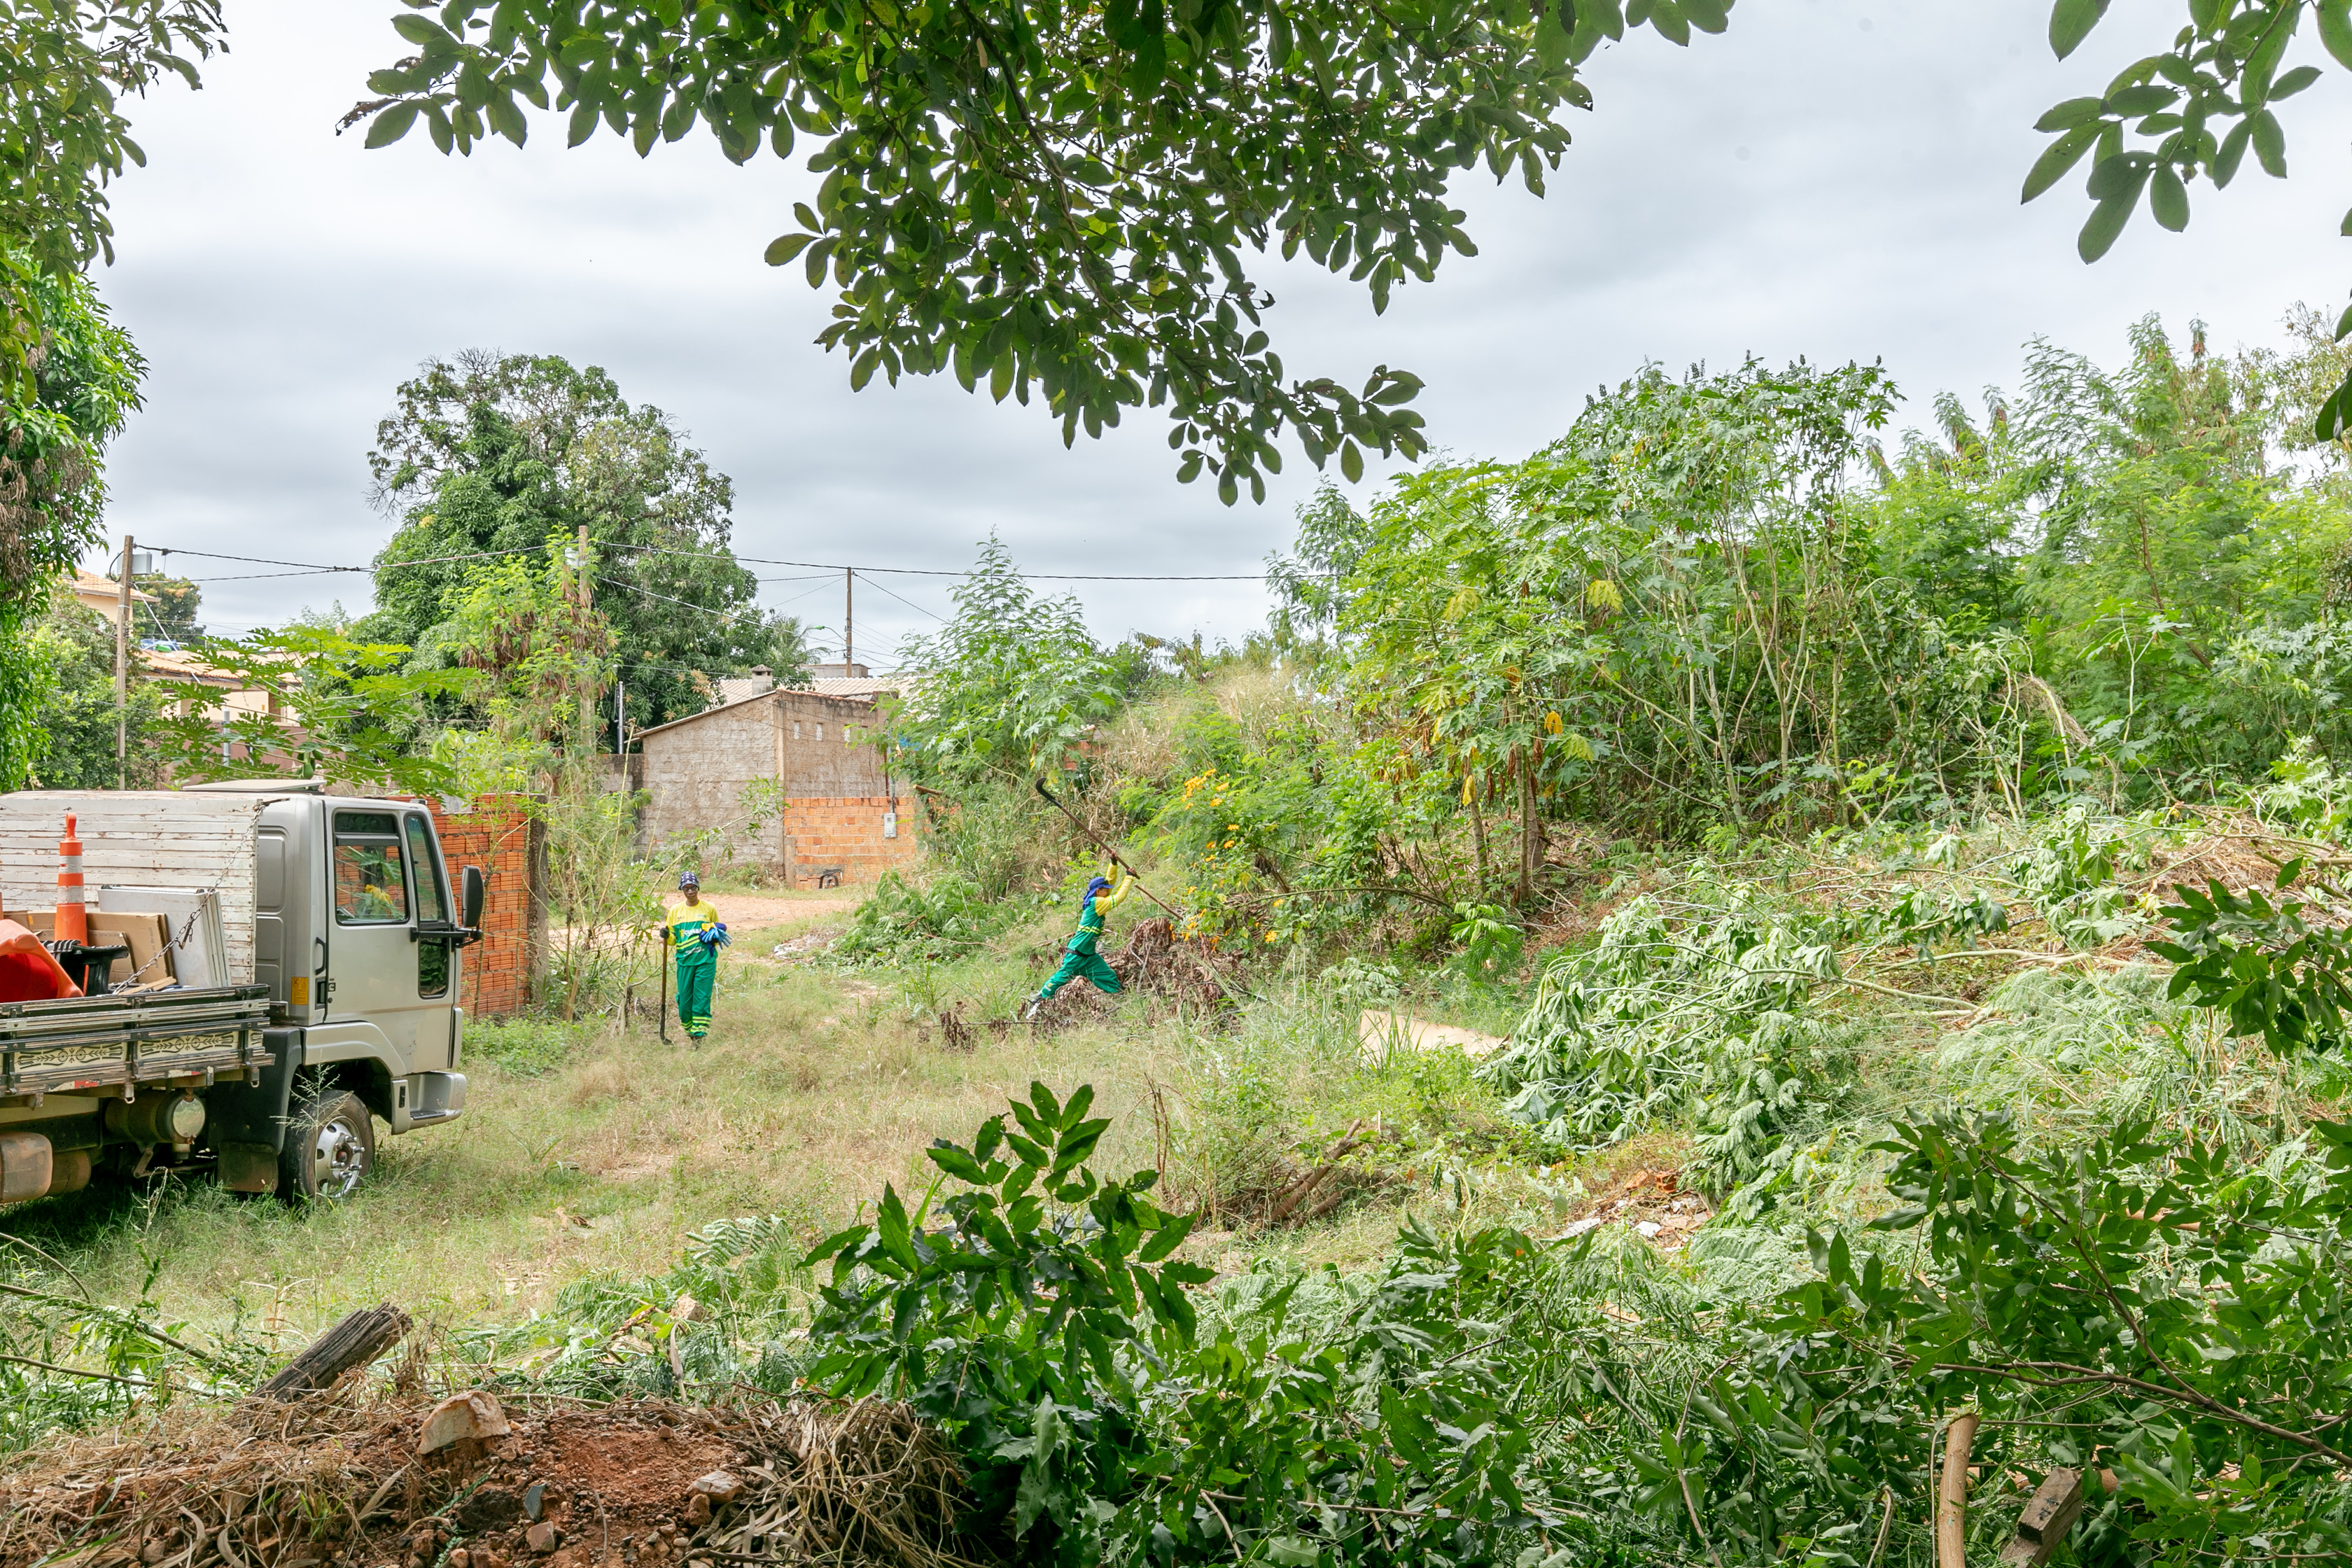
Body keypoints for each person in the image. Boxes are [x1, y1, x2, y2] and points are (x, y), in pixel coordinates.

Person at [1024, 863, 1132, 1018]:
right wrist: (1129, 877)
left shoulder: (1098, 900)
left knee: (1107, 976)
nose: (1108, 891)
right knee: (1060, 979)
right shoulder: (1097, 903)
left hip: (1089, 957)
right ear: (1098, 891)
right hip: (1077, 954)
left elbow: (1109, 881)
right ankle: (1039, 998)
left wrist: (1113, 863)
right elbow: (1119, 897)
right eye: (1106, 889)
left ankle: (1120, 999)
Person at [664, 870, 727, 1043]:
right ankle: (690, 1030)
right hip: (684, 962)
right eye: (686, 889)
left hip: (705, 961)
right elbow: (672, 940)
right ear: (682, 890)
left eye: (693, 888)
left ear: (698, 888)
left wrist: (714, 935)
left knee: (701, 999)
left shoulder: (709, 908)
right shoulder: (675, 911)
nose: (690, 892)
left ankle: (699, 1036)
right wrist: (666, 936)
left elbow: (716, 932)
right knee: (685, 1003)